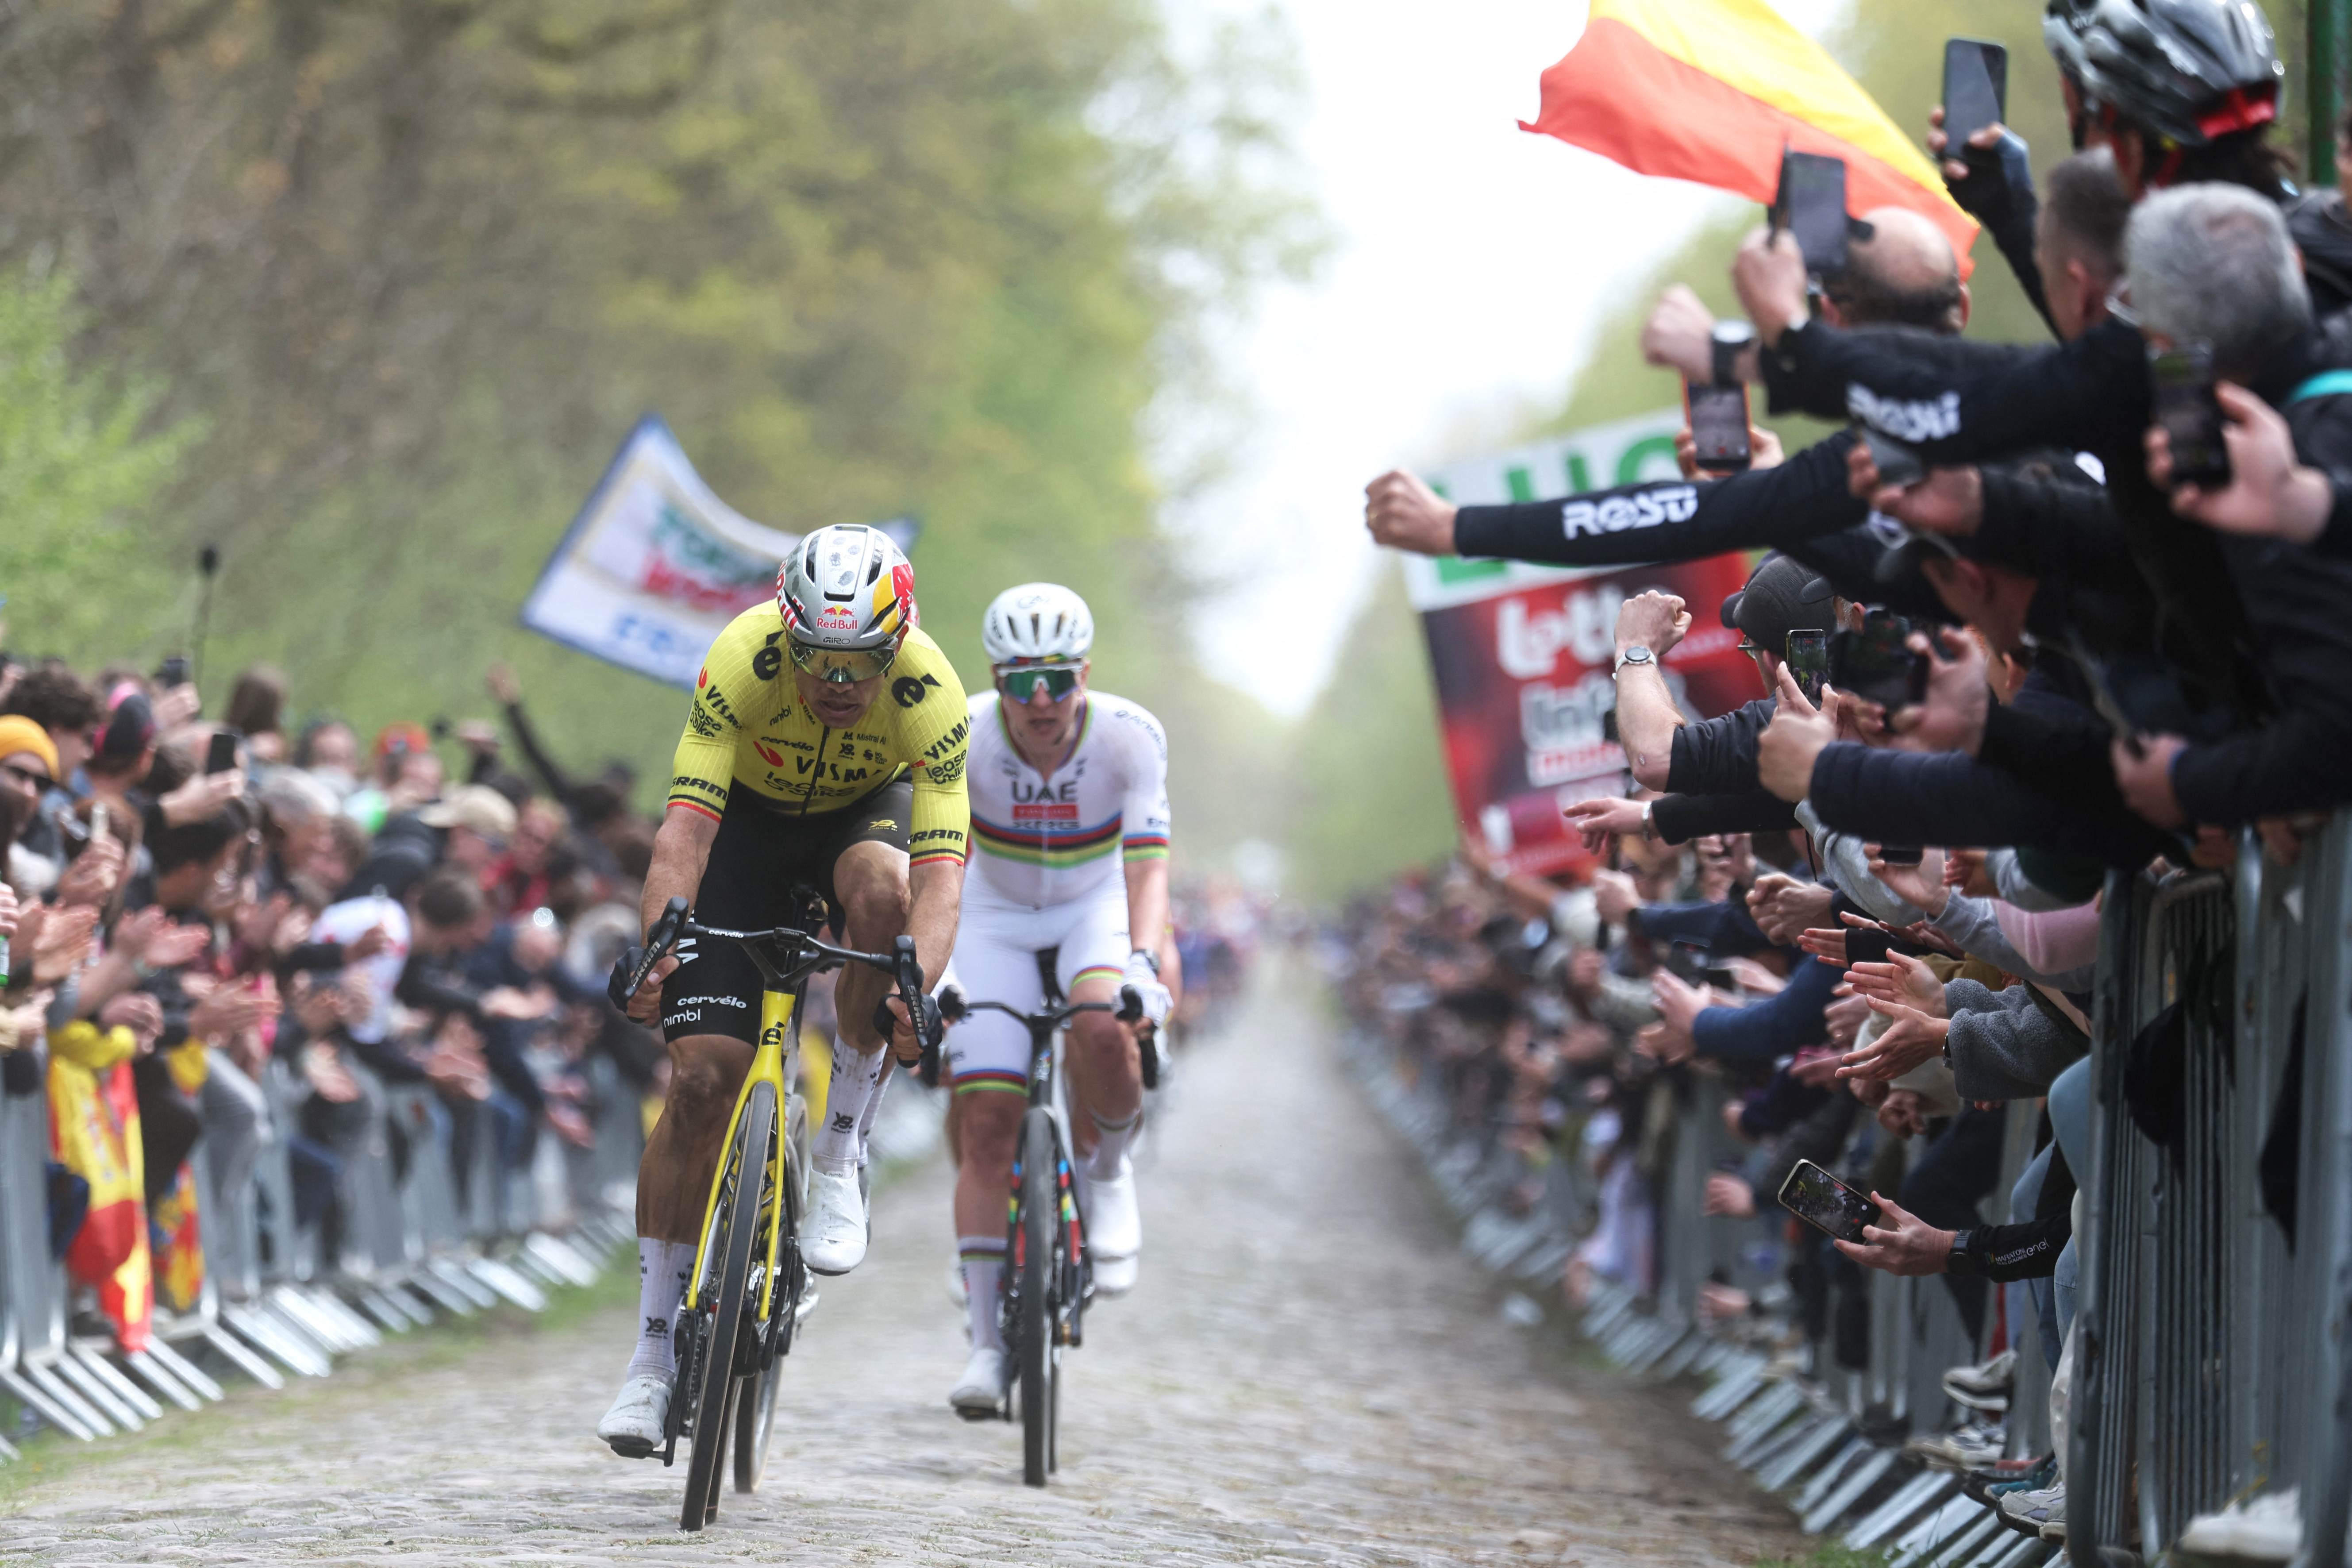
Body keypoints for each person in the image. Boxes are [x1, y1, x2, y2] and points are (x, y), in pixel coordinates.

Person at [598, 523, 971, 1456]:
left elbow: (941, 876)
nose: (840, 685)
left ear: (897, 645)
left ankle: (843, 1147)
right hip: (750, 828)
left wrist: (914, 991)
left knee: (883, 893)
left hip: (861, 818)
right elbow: (683, 835)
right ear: (787, 635)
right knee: (698, 1086)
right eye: (818, 660)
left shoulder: (931, 691)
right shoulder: (740, 656)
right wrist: (658, 953)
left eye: (861, 664)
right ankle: (649, 1359)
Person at [935, 582, 1173, 1415]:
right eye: (1021, 680)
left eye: (1058, 680)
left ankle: (1108, 1172)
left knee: (1107, 1028)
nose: (1041, 701)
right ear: (996, 678)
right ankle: (987, 1348)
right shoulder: (957, 731)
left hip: (1091, 906)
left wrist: (1143, 962)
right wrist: (938, 964)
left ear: (1085, 673)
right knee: (987, 1118)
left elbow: (1148, 867)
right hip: (993, 916)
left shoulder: (1128, 736)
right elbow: (939, 859)